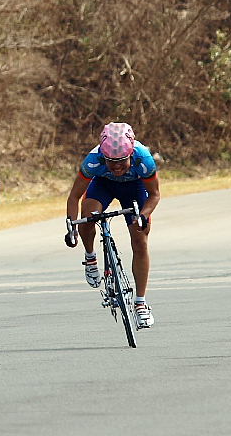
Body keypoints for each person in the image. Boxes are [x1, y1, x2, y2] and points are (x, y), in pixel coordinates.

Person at [64, 122, 160, 328]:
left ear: (131, 154)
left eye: (121, 162)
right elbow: (73, 197)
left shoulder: (144, 159)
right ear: (103, 157)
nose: (116, 167)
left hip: (134, 189)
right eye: (111, 162)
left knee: (140, 239)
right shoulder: (93, 160)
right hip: (103, 186)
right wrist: (71, 227)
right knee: (87, 215)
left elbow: (154, 194)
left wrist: (143, 215)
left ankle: (141, 304)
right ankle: (90, 258)